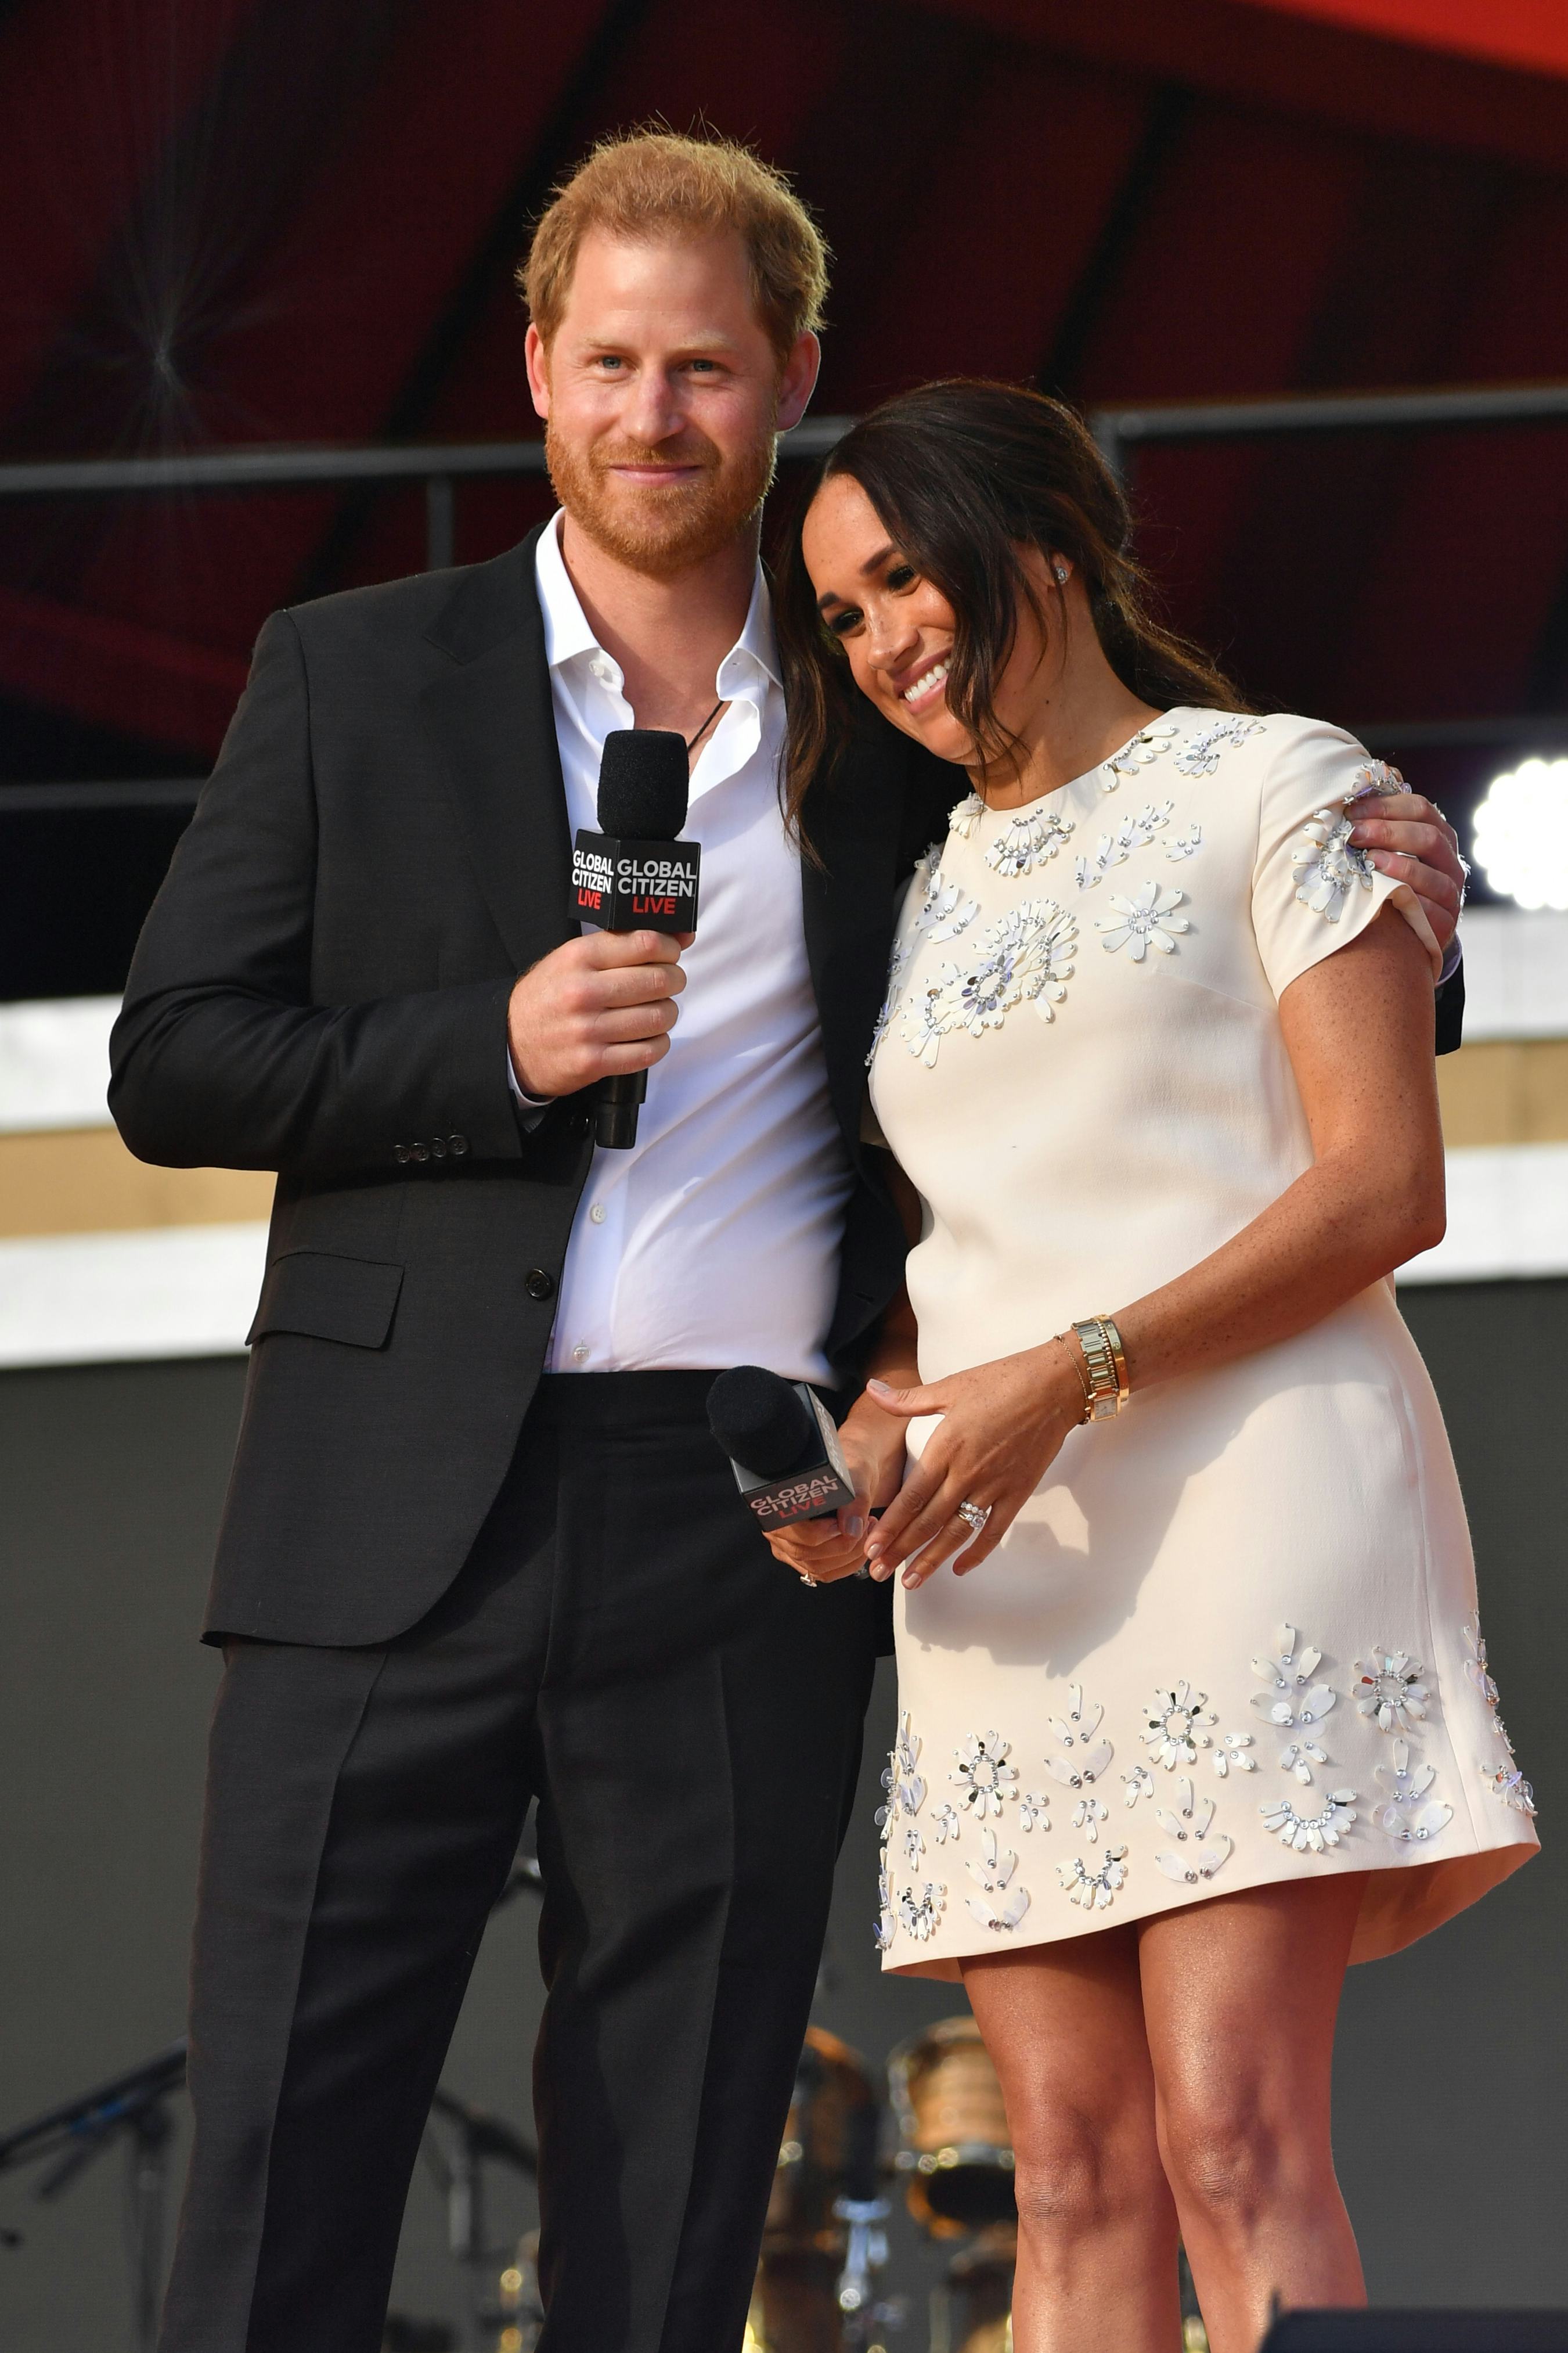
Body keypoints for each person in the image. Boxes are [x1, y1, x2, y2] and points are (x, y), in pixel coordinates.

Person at [109, 127, 1470, 2353]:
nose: (658, 415)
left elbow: (1150, 902)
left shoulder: (894, 707)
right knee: (278, 2172)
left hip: (747, 1537)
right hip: (380, 1523)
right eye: (615, 362)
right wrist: (497, 1040)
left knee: (678, 2192)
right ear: (539, 369)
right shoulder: (351, 674)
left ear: (790, 375)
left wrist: (1416, 905)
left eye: (711, 370)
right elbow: (176, 1059)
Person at [768, 379, 1537, 2353]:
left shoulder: (1278, 787)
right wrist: (889, 1415)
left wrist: (1074, 1369)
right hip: (1002, 1557)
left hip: (1249, 1494)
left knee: (1233, 2137)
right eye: (840, 615)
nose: (878, 642)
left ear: (1043, 542)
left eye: (898, 578)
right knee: (1076, 2175)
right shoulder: (931, 883)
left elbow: (1387, 1183)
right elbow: (977, 1229)